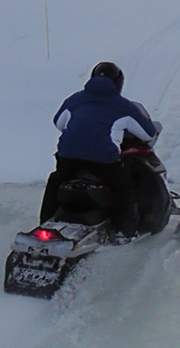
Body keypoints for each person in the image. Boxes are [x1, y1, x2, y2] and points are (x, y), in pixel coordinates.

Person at [40, 61, 159, 239]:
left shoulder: (75, 99)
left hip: (67, 157)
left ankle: (44, 224)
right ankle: (122, 232)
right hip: (103, 160)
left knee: (56, 180)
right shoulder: (124, 106)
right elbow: (148, 134)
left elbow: (58, 123)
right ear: (118, 83)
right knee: (122, 187)